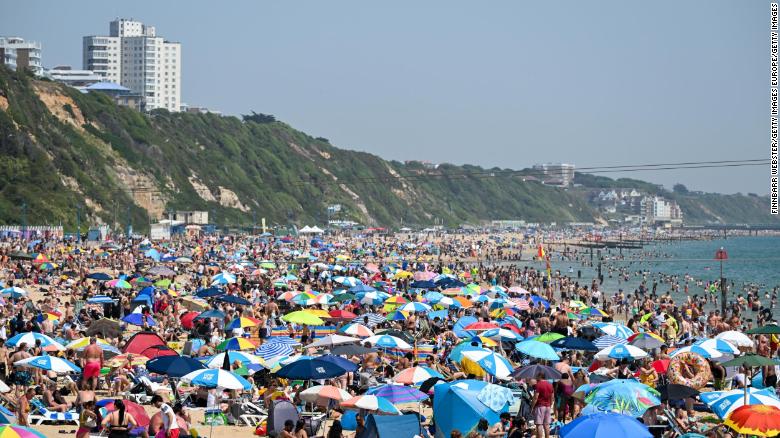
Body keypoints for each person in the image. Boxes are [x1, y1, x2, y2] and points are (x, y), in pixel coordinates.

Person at [531, 372, 553, 438]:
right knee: (546, 425)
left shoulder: (538, 385)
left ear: (540, 376)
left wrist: (532, 407)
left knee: (539, 424)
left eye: (537, 376)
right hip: (548, 406)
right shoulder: (550, 384)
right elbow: (552, 396)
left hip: (540, 405)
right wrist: (550, 404)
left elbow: (535, 397)